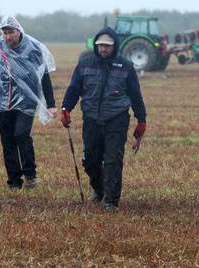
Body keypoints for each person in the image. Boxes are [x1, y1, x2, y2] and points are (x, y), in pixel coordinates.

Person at [60, 27, 147, 211]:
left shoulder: (126, 67)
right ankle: (99, 190)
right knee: (90, 160)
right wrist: (66, 108)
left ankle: (111, 201)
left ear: (114, 46)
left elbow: (136, 96)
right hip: (91, 119)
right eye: (100, 46)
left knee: (112, 161)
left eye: (107, 46)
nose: (103, 49)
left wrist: (141, 120)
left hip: (117, 119)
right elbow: (74, 89)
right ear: (95, 46)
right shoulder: (84, 64)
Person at [0, 16, 57, 190]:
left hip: (26, 101)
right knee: (7, 141)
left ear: (19, 31)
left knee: (21, 135)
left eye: (11, 32)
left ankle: (30, 175)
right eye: (5, 33)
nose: (8, 37)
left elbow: (43, 75)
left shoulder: (33, 48)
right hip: (3, 101)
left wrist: (50, 103)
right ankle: (14, 181)